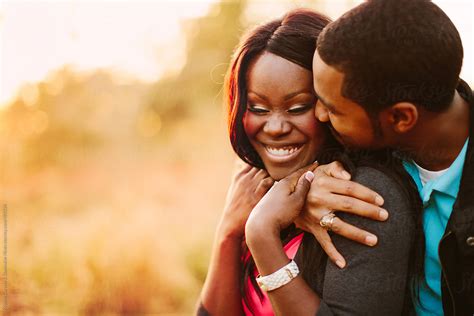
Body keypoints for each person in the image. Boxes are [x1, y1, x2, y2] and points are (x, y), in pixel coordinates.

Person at [197, 8, 424, 315]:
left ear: (331, 105)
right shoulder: (253, 183)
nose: (275, 128)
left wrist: (262, 236)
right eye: (259, 109)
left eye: (297, 107)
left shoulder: (358, 194)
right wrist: (229, 230)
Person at [290, 0, 473, 314]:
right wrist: (304, 189)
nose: (318, 115)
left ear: (401, 118)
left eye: (333, 108)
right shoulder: (365, 143)